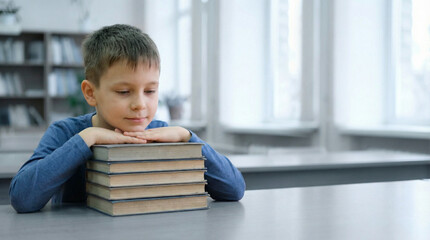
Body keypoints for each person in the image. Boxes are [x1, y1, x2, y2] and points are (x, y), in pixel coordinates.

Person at [9, 24, 245, 213]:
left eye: (150, 91)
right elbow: (23, 198)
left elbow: (234, 190)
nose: (140, 104)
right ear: (91, 93)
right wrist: (87, 138)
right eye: (124, 92)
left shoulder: (165, 134)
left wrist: (189, 138)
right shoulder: (66, 133)